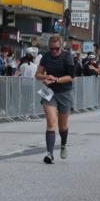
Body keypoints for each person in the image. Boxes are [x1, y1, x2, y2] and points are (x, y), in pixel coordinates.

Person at [35, 35, 76, 164]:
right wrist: (45, 77)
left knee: (62, 126)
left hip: (64, 93)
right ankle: (50, 154)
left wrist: (57, 79)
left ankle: (63, 144)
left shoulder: (67, 57)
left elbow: (71, 76)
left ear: (61, 47)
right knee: (51, 123)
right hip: (50, 93)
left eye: (56, 49)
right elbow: (38, 74)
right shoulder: (46, 57)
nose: (54, 51)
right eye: (51, 48)